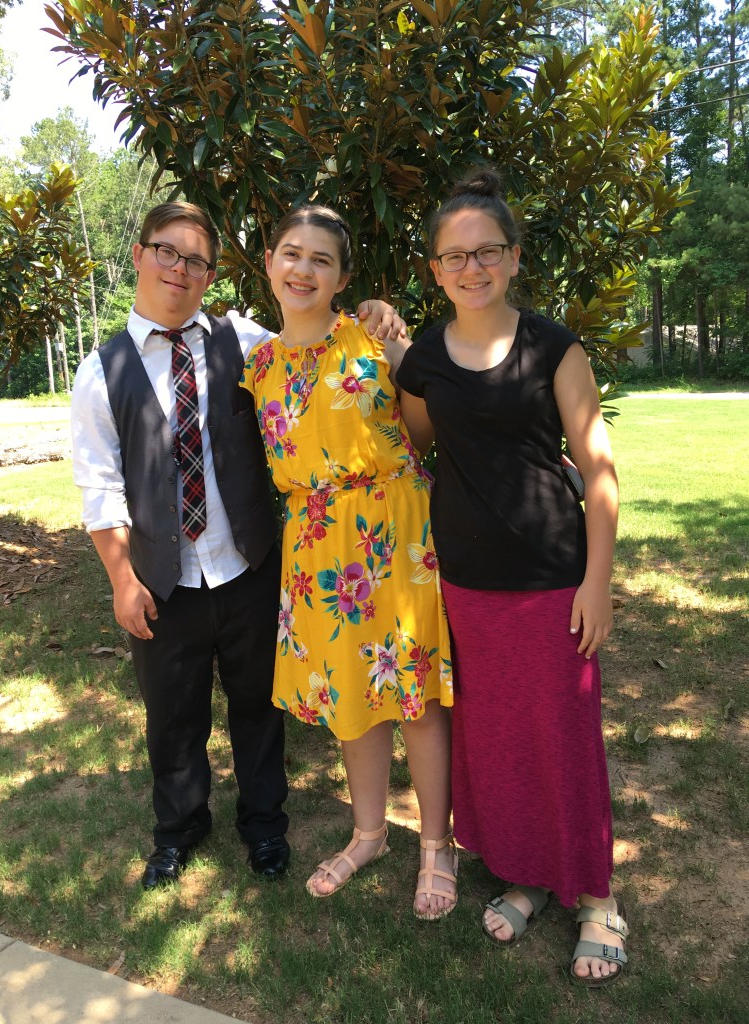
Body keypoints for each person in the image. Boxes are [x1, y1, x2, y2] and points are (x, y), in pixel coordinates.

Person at [71, 200, 404, 890]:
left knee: (258, 707)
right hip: (163, 578)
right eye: (168, 252)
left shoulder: (243, 340)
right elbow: (100, 486)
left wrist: (369, 310)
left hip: (248, 566)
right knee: (173, 715)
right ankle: (179, 830)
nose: (180, 270)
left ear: (212, 275)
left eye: (196, 261)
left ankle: (264, 827)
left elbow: (313, 336)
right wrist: (121, 580)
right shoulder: (99, 372)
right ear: (139, 255)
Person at [396, 168, 628, 981]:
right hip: (464, 584)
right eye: (455, 257)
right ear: (435, 269)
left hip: (550, 581)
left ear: (514, 258)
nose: (472, 268)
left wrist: (596, 582)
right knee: (494, 743)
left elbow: (598, 470)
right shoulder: (424, 356)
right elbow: (420, 440)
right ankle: (528, 876)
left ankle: (597, 898)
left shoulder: (554, 347)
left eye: (487, 251)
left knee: (563, 739)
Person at [239, 205, 457, 919]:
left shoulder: (376, 339)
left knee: (415, 697)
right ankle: (368, 834)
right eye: (291, 253)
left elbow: (424, 433)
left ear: (343, 277)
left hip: (393, 533)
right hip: (315, 546)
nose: (303, 269)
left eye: (321, 259)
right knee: (351, 703)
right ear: (269, 262)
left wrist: (395, 336)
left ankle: (435, 847)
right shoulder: (258, 366)